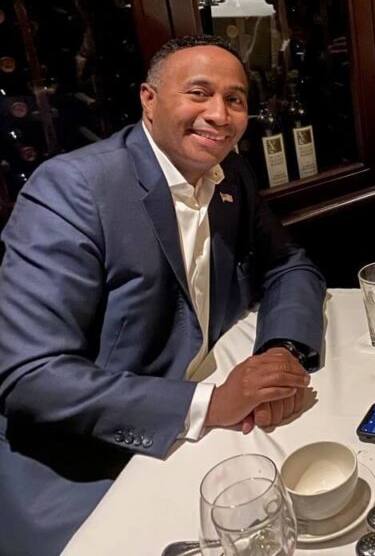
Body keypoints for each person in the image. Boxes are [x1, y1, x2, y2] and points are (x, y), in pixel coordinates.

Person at [0, 35, 326, 556]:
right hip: (86, 467)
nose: (219, 114)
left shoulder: (230, 175)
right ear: (148, 100)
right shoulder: (71, 190)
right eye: (198, 93)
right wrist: (211, 403)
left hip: (209, 440)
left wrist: (281, 351)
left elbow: (289, 264)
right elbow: (31, 377)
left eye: (235, 99)